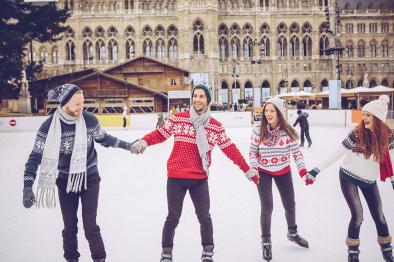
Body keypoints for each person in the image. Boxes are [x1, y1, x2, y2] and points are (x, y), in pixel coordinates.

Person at [131, 84, 259, 262]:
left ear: (207, 100)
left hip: (199, 177)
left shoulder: (215, 127)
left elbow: (230, 149)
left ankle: (208, 252)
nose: (197, 99)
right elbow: (160, 134)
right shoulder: (179, 119)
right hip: (176, 176)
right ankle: (166, 253)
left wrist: (246, 169)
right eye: (195, 96)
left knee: (204, 217)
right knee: (172, 217)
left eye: (201, 96)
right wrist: (144, 141)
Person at [22, 84, 136, 262]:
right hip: (65, 181)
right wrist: (27, 187)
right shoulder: (48, 127)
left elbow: (105, 139)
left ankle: (99, 258)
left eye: (82, 103)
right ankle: (71, 259)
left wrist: (128, 146)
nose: (81, 108)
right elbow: (35, 157)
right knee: (69, 228)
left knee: (90, 227)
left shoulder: (89, 120)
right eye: (77, 104)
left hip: (90, 178)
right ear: (64, 103)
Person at [305, 95, 394, 262]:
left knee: (379, 216)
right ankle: (353, 253)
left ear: (378, 118)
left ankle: (386, 248)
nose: (364, 117)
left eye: (369, 115)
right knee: (358, 215)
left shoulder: (388, 137)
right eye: (364, 114)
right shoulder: (356, 134)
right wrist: (316, 171)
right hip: (348, 177)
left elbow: (392, 160)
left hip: (369, 181)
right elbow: (336, 153)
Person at [249, 97, 310, 262]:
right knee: (267, 206)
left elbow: (297, 153)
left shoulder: (287, 131)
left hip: (283, 170)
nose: (268, 113)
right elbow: (253, 153)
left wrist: (303, 172)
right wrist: (254, 169)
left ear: (279, 113)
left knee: (290, 203)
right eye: (266, 110)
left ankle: (292, 232)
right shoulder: (257, 130)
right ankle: (266, 242)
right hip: (263, 172)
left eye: (272, 110)